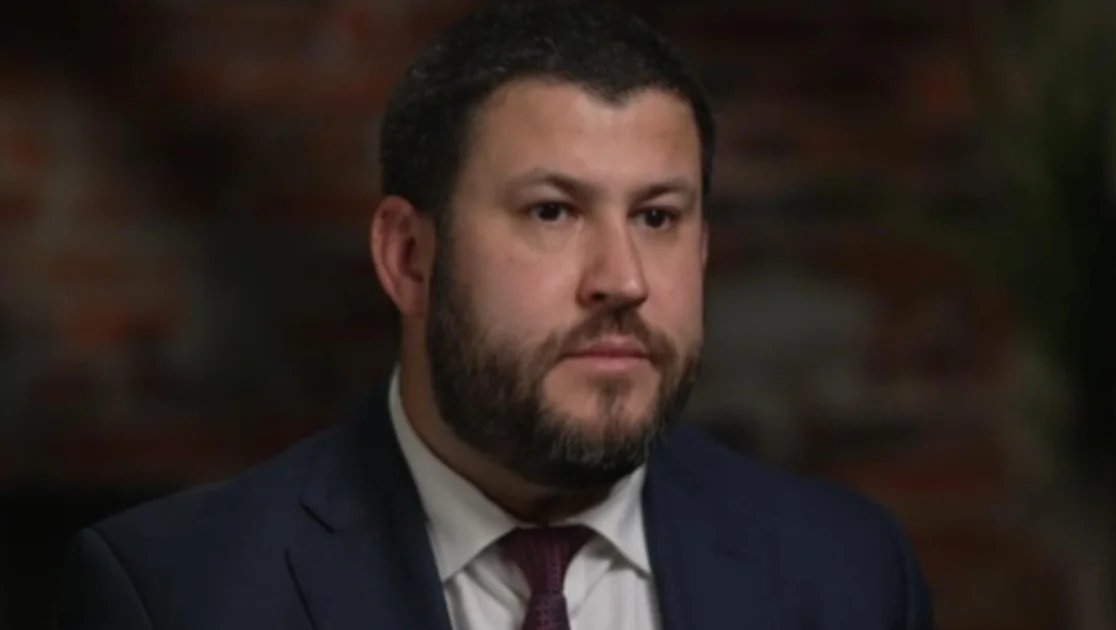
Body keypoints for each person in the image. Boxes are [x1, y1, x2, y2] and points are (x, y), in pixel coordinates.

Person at [57, 1, 933, 628]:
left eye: (658, 217)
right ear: (409, 257)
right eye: (553, 211)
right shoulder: (176, 593)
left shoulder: (851, 576)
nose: (623, 280)